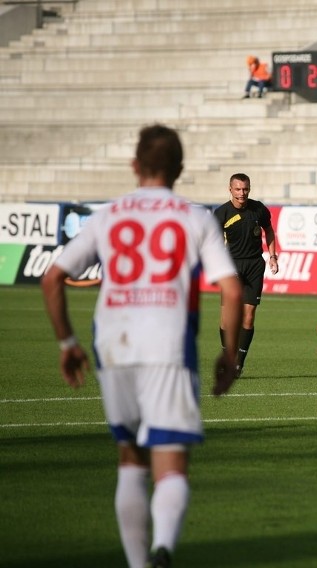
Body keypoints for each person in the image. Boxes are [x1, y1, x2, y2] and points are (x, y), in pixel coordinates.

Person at [41, 124, 244, 568]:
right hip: (168, 344)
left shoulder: (109, 216)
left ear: (135, 165)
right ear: (180, 170)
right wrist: (228, 358)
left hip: (112, 344)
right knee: (170, 465)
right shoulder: (193, 218)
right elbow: (231, 290)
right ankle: (163, 548)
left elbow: (53, 277)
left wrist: (67, 342)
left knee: (130, 459)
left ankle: (137, 564)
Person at [213, 173, 279, 377]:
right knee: (226, 319)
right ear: (230, 189)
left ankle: (239, 363)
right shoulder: (221, 213)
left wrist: (273, 256)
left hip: (254, 266)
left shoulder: (258, 209)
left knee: (248, 318)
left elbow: (269, 230)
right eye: (238, 189)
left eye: (245, 189)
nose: (242, 193)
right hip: (231, 267)